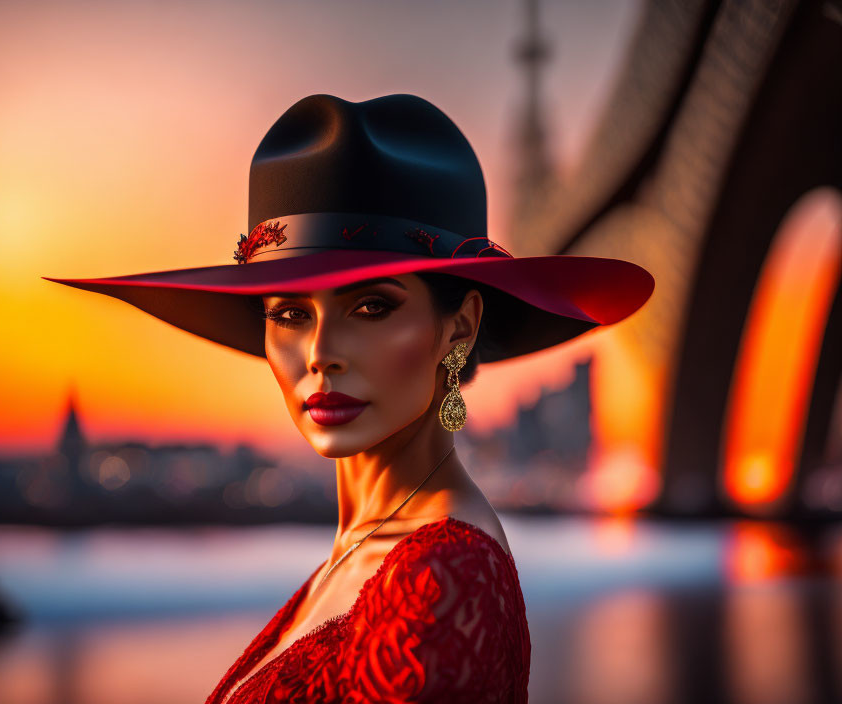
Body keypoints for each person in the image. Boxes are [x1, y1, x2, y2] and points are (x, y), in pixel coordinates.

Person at [44, 93, 654, 703]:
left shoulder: (444, 577)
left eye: (371, 306)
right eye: (288, 312)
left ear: (460, 327)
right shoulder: (366, 551)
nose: (319, 353)